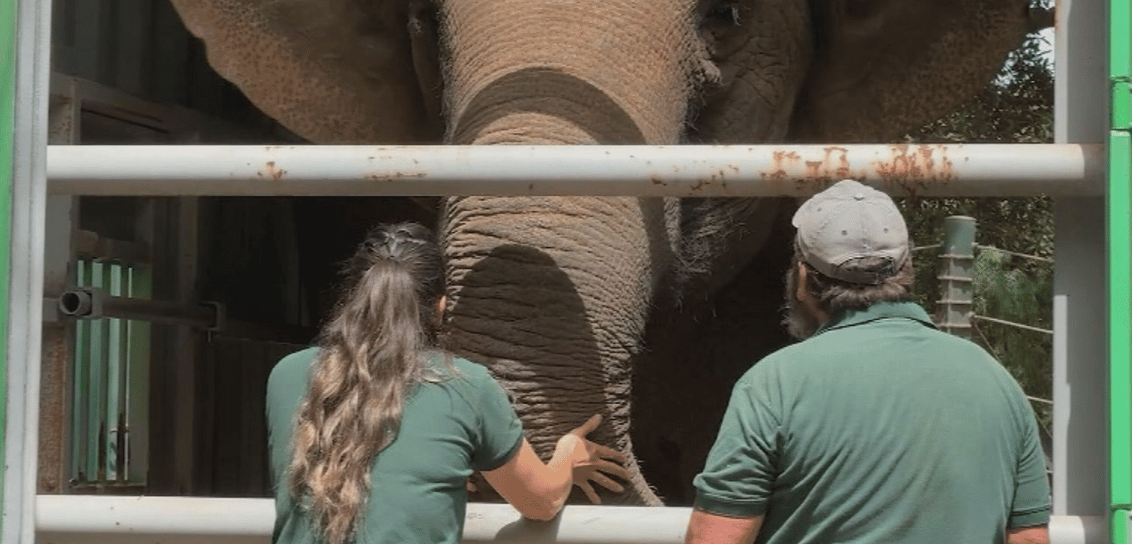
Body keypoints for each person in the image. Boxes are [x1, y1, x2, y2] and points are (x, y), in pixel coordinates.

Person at [685, 179, 1051, 544]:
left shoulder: (772, 384)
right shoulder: (996, 382)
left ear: (801, 278)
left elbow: (717, 538)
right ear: (907, 268)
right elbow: (1030, 539)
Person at [266, 222, 628, 544]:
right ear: (440, 306)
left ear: (356, 296)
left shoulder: (286, 375)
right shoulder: (466, 384)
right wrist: (568, 453)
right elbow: (541, 502)